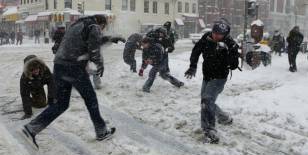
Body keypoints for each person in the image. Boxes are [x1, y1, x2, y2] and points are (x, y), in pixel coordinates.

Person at [21, 15, 117, 149]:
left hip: (60, 66)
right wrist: (100, 64)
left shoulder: (77, 25)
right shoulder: (94, 26)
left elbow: (85, 41)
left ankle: (31, 128)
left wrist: (108, 39)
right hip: (74, 67)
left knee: (61, 104)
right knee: (91, 98)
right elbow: (93, 49)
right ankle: (101, 131)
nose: (102, 31)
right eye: (103, 28)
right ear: (101, 24)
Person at [184, 18, 239, 144]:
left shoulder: (230, 43)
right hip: (207, 75)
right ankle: (224, 118)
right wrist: (193, 66)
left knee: (207, 100)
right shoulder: (207, 37)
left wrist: (227, 51)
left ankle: (209, 129)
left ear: (225, 34)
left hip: (219, 78)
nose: (215, 36)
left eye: (219, 34)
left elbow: (234, 65)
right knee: (206, 100)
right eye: (214, 32)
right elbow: (196, 51)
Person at [20, 55, 55, 120]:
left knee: (55, 81)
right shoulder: (25, 77)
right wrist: (28, 113)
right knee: (40, 104)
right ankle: (31, 101)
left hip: (41, 81)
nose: (36, 71)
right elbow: (24, 95)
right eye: (32, 69)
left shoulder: (45, 69)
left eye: (37, 68)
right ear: (28, 70)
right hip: (34, 86)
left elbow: (51, 84)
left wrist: (51, 100)